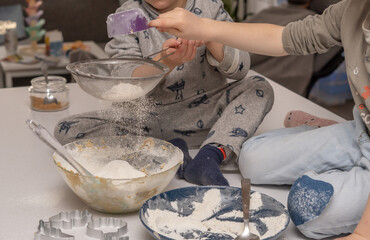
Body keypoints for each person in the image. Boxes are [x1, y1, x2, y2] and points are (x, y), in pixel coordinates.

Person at [148, 0, 370, 239]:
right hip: (361, 131)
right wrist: (203, 27)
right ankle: (340, 136)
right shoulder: (352, 10)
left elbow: (238, 68)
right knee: (252, 158)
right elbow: (286, 38)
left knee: (308, 206)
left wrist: (361, 233)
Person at [54, 0, 274, 186]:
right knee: (66, 130)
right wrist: (166, 62)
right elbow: (125, 81)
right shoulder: (127, 15)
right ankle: (167, 149)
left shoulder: (210, 6)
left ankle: (209, 156)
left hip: (206, 115)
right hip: (145, 119)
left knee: (259, 87)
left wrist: (208, 34)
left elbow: (241, 69)